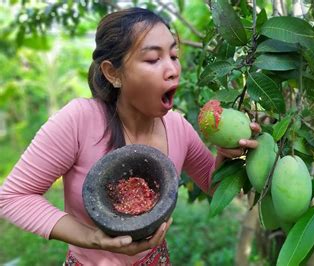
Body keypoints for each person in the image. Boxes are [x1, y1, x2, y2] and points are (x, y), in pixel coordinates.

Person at [0, 7, 259, 265]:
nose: (172, 69)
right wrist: (93, 239)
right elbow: (13, 198)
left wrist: (232, 153)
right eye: (152, 59)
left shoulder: (178, 127)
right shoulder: (79, 121)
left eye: (173, 55)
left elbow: (215, 186)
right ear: (113, 73)